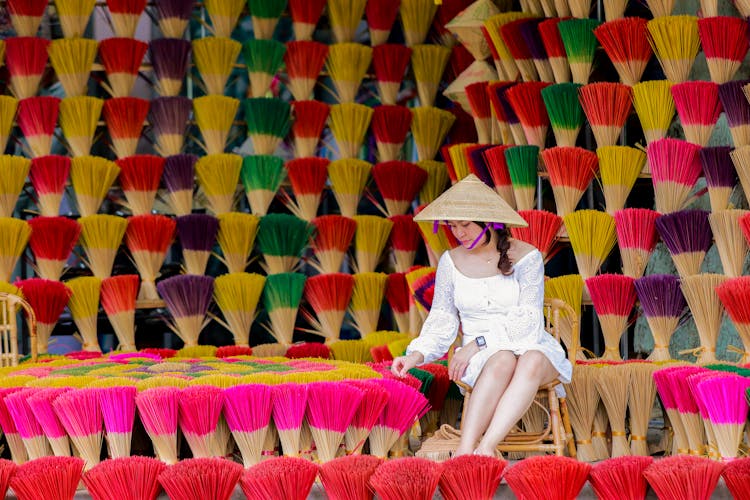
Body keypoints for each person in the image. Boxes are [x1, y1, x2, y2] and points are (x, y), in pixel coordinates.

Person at [391, 174, 572, 457]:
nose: (459, 233)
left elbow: (528, 320)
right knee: (502, 360)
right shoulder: (450, 262)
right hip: (483, 359)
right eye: (452, 226)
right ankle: (467, 451)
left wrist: (477, 344)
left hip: (529, 344)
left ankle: (485, 448)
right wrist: (414, 355)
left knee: (531, 358)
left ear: (491, 222)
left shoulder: (527, 257)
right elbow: (443, 318)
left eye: (465, 225)